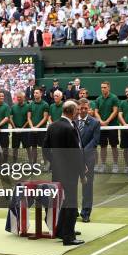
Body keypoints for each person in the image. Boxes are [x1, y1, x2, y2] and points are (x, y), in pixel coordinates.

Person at [43, 100, 86, 246]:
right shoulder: (70, 128)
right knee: (71, 203)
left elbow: (45, 149)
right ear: (72, 112)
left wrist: (54, 162)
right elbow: (76, 154)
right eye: (77, 111)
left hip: (57, 171)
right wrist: (82, 172)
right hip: (70, 172)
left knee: (61, 202)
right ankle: (68, 236)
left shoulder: (52, 126)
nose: (78, 113)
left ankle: (61, 230)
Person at [76, 99, 100, 223]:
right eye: (81, 108)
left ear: (89, 109)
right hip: (73, 159)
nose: (83, 110)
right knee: (71, 185)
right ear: (78, 109)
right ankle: (73, 210)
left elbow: (95, 141)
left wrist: (82, 152)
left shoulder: (95, 123)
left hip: (88, 159)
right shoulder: (73, 122)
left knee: (87, 186)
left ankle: (85, 213)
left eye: (85, 108)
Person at [95, 81, 120, 173]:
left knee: (114, 146)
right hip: (102, 127)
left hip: (112, 126)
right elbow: (96, 112)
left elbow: (115, 111)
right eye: (102, 87)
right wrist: (101, 121)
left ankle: (115, 164)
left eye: (105, 87)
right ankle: (103, 165)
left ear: (109, 88)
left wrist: (107, 121)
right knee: (103, 146)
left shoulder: (114, 98)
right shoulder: (98, 99)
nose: (103, 89)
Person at [27, 88, 50, 165]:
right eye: (34, 93)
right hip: (32, 130)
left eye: (37, 93)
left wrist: (37, 127)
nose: (35, 94)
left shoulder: (45, 104)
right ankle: (34, 164)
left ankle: (46, 165)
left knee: (44, 148)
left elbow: (45, 118)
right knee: (33, 147)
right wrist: (32, 127)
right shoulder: (30, 104)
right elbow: (29, 117)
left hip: (42, 130)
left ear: (41, 94)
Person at [10, 91, 30, 163]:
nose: (18, 98)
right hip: (15, 131)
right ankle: (14, 163)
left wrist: (22, 128)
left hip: (25, 131)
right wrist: (15, 128)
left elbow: (29, 119)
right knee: (15, 148)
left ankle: (31, 163)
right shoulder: (13, 107)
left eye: (20, 97)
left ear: (24, 98)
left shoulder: (28, 106)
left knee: (28, 147)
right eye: (17, 97)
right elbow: (10, 118)